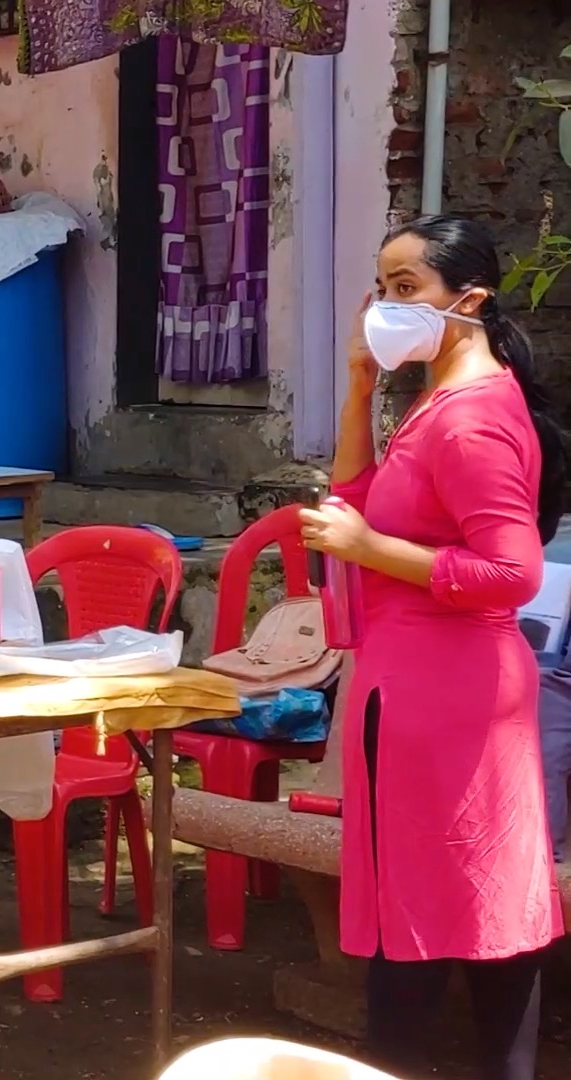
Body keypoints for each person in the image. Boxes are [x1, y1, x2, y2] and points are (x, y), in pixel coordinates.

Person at [300, 214, 567, 1080]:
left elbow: (511, 571)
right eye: (383, 285)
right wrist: (357, 386)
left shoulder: (474, 421)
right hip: (410, 687)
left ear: (471, 300)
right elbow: (356, 494)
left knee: (450, 905)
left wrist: (368, 553)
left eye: (407, 287)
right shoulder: (437, 404)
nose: (386, 304)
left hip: (454, 696)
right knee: (440, 897)